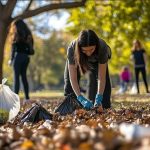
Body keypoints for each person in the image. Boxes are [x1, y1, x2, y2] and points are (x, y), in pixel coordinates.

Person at [64, 29, 111, 110]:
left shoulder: (102, 46)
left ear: (96, 45)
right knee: (69, 86)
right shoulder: (72, 48)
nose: (88, 53)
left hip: (96, 60)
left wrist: (99, 97)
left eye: (91, 49)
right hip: (78, 58)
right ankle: (71, 108)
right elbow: (73, 78)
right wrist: (80, 97)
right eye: (85, 50)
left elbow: (101, 77)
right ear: (79, 48)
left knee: (104, 90)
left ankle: (102, 106)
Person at [8, 19, 34, 104]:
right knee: (24, 77)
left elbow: (13, 48)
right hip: (26, 58)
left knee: (16, 78)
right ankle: (27, 98)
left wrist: (11, 59)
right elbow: (31, 50)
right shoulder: (29, 35)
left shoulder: (17, 34)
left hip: (18, 57)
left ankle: (15, 99)